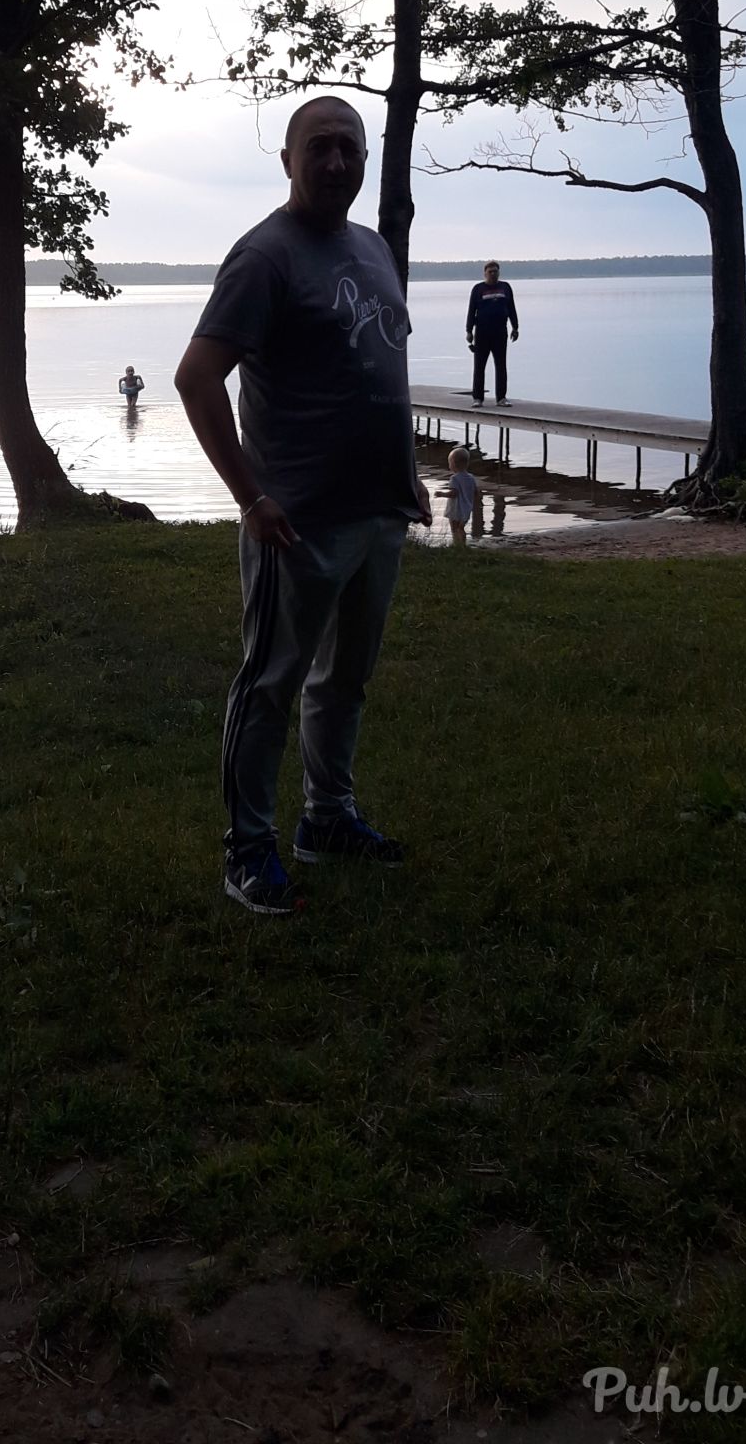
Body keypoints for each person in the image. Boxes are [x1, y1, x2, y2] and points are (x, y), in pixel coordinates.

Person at [174, 95, 432, 917]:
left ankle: (327, 818)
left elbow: (378, 368)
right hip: (297, 519)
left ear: (364, 161)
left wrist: (408, 476)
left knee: (344, 679)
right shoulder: (264, 257)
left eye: (347, 148)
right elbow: (196, 379)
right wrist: (249, 497)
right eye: (317, 147)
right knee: (270, 683)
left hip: (378, 511)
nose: (334, 162)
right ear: (287, 160)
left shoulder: (371, 248)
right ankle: (247, 847)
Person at [466, 259, 519, 406]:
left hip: (500, 332)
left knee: (501, 365)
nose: (493, 274)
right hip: (482, 332)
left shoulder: (505, 287)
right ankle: (478, 398)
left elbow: (511, 308)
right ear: (485, 273)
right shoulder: (478, 289)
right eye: (490, 272)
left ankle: (501, 398)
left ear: (499, 272)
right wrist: (469, 331)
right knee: (479, 367)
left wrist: (515, 327)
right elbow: (471, 310)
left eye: (495, 271)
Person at [443, 445, 478, 546]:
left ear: (453, 464)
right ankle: (463, 544)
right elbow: (476, 492)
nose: (449, 466)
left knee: (454, 528)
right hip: (466, 508)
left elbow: (453, 494)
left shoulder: (454, 479)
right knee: (461, 528)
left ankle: (456, 545)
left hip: (455, 509)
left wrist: (442, 494)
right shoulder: (471, 477)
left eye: (449, 463)